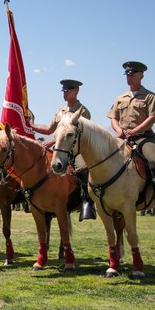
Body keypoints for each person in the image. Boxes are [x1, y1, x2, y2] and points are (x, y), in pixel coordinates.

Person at [107, 61, 155, 213]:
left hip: (143, 138)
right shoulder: (120, 98)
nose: (129, 76)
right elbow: (113, 118)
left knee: (154, 161)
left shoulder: (150, 96)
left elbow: (153, 117)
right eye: (127, 74)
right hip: (123, 138)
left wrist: (135, 130)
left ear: (141, 75)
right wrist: (118, 130)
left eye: (133, 73)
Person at [31, 79, 96, 220]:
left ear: (76, 91)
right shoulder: (60, 111)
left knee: (82, 169)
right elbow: (49, 129)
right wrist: (30, 125)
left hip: (77, 150)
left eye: (68, 89)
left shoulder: (82, 111)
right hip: (61, 150)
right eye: (64, 90)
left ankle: (87, 203)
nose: (65, 92)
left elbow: (77, 134)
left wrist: (53, 142)